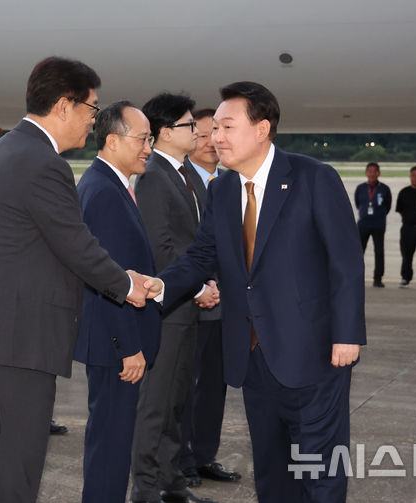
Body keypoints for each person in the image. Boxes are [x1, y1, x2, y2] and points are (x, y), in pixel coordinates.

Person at [152, 81, 366, 503]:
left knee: (319, 474)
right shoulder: (223, 190)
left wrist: (347, 335)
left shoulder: (313, 178)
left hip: (314, 355)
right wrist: (159, 287)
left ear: (262, 129)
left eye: (227, 127)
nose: (215, 138)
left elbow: (346, 262)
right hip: (252, 358)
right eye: (214, 129)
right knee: (272, 473)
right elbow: (201, 258)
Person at [0, 56, 154, 502]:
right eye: (92, 109)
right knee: (16, 468)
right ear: (64, 105)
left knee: (4, 466)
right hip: (23, 341)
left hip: (6, 335)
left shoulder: (5, 149)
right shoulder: (41, 161)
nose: (92, 121)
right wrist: (128, 286)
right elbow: (77, 245)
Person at [130, 93, 219, 503]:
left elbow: (199, 244)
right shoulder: (153, 177)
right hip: (168, 310)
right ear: (165, 133)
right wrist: (198, 287)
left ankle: (171, 483)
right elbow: (160, 246)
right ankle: (147, 489)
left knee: (177, 402)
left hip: (184, 309)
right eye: (188, 125)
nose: (198, 132)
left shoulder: (185, 175)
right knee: (156, 406)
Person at [75, 101, 162, 503]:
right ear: (112, 141)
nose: (149, 147)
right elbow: (108, 278)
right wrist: (128, 347)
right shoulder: (104, 192)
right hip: (116, 348)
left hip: (115, 344)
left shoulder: (109, 185)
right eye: (143, 139)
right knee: (109, 449)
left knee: (111, 444)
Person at [178, 108, 241, 487]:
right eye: (201, 135)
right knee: (188, 386)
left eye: (215, 134)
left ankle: (204, 455)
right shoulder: (180, 182)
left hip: (227, 305)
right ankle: (183, 459)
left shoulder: (231, 183)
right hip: (194, 301)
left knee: (216, 387)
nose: (210, 142)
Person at [354, 162, 392, 287]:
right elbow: (358, 203)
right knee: (359, 252)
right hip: (363, 224)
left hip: (378, 225)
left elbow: (388, 206)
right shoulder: (360, 188)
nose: (372, 174)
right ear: (366, 173)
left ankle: (378, 278)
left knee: (379, 252)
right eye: (369, 171)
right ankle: (357, 278)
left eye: (374, 171)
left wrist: (379, 215)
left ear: (378, 173)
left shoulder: (384, 189)